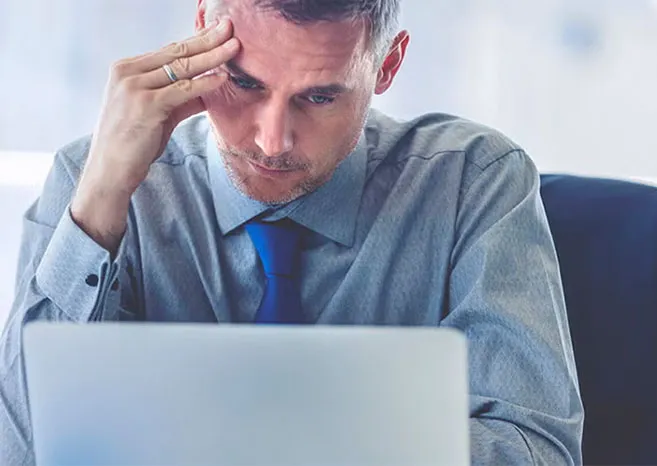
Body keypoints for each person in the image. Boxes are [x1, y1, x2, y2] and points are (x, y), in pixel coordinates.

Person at [0, 0, 584, 464]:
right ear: (202, 27)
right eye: (244, 83)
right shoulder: (94, 181)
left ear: (387, 65)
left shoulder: (474, 182)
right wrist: (101, 203)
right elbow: (25, 451)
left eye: (320, 96)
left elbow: (536, 450)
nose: (271, 141)